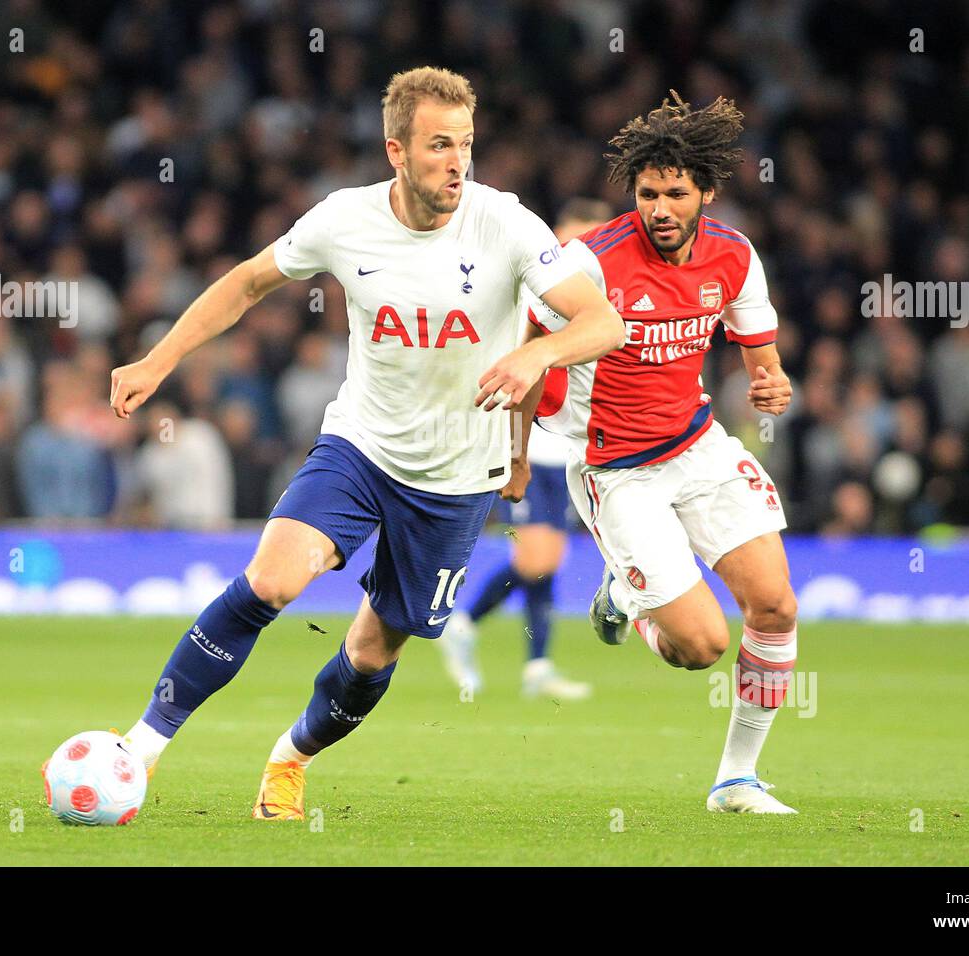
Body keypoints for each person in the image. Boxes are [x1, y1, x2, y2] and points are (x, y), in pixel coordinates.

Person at [100, 67, 623, 820]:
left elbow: (602, 323)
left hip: (455, 477)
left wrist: (535, 362)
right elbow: (246, 283)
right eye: (439, 145)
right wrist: (159, 360)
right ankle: (138, 752)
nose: (456, 162)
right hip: (362, 448)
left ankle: (290, 758)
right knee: (271, 582)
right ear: (396, 152)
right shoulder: (344, 220)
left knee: (375, 650)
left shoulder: (507, 224)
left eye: (466, 145)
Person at [523, 93, 800, 814]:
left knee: (773, 606)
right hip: (616, 472)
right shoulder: (592, 263)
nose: (661, 206)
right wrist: (516, 457)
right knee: (699, 647)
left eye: (676, 192)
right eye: (648, 192)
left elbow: (760, 357)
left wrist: (770, 383)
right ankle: (624, 594)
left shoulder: (734, 257)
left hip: (697, 444)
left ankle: (736, 779)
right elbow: (531, 355)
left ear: (705, 190)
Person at [439, 199, 614, 700]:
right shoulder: (527, 289)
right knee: (539, 557)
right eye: (578, 238)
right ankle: (465, 623)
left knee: (547, 563)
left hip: (571, 447)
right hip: (532, 442)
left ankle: (537, 666)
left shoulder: (596, 302)